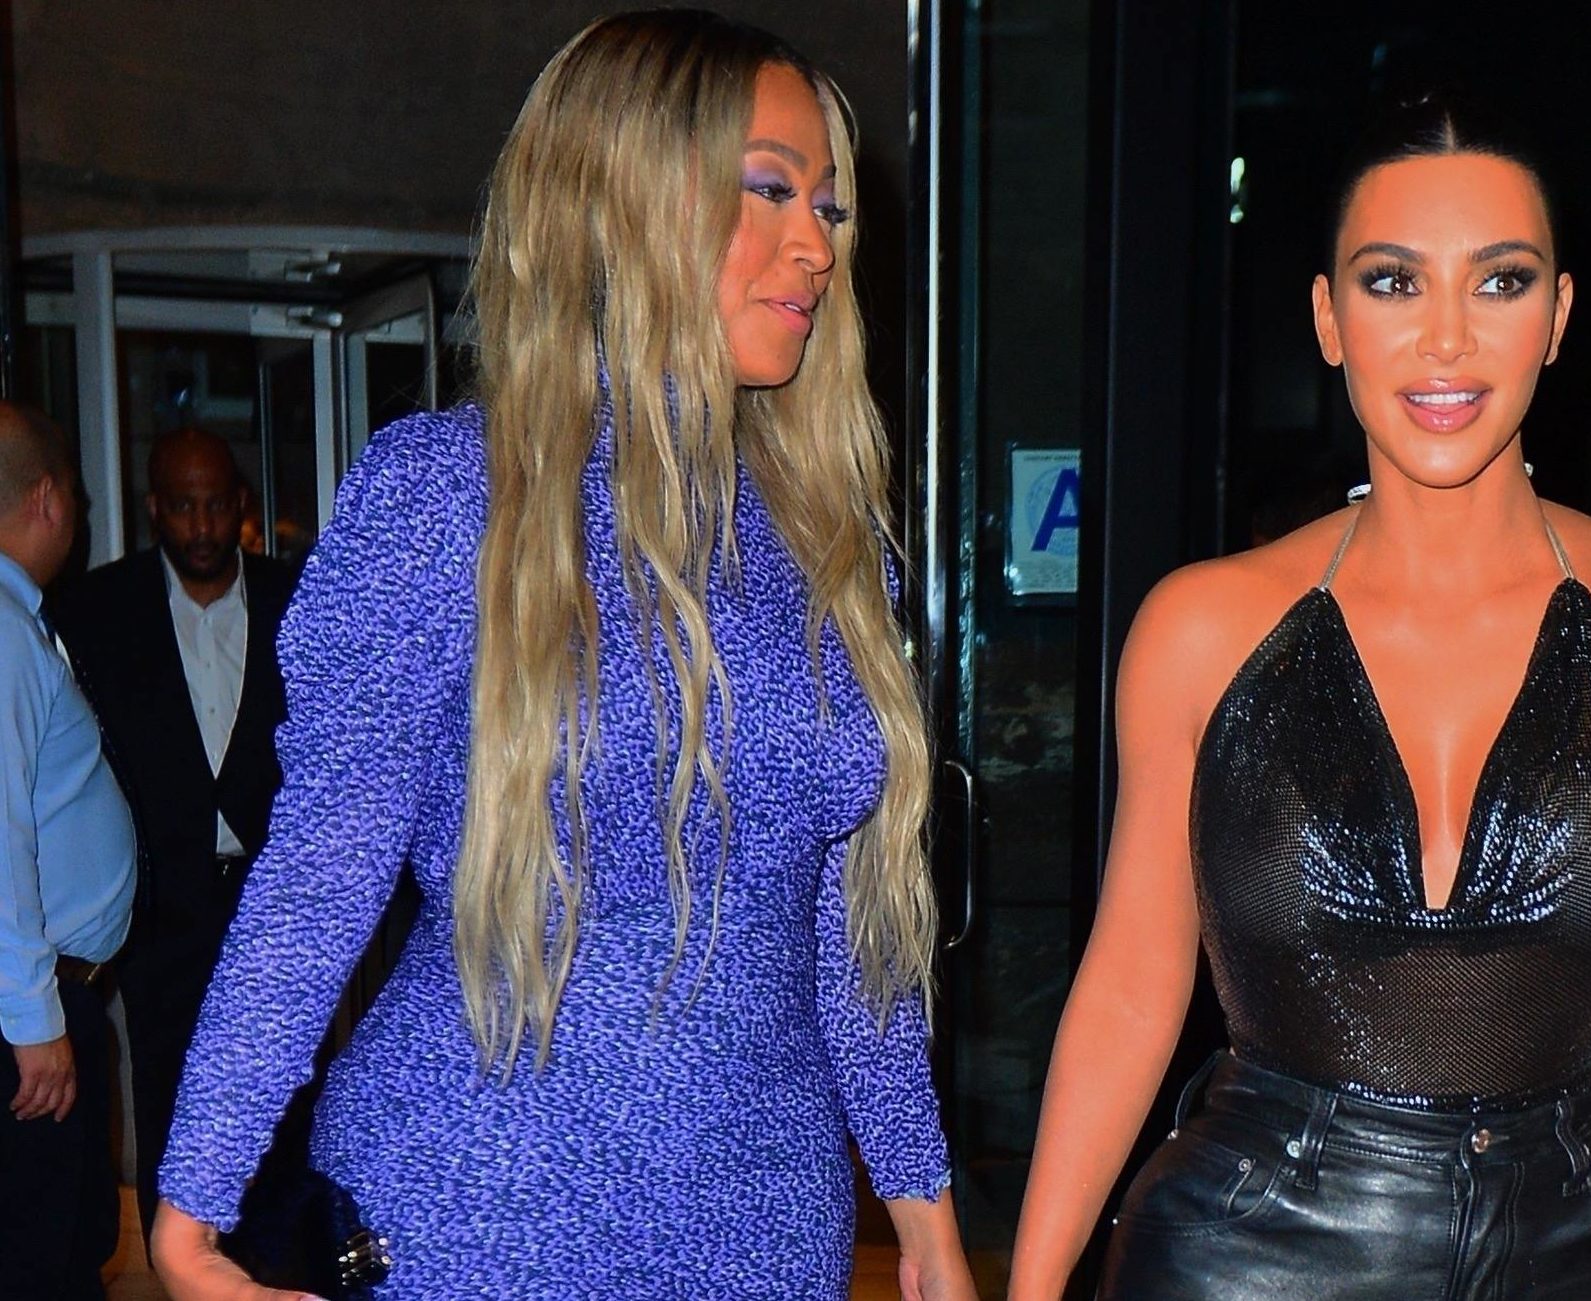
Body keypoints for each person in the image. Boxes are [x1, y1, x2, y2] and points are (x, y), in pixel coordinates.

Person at [148, 12, 975, 1299]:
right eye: (768, 190)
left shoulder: (828, 541)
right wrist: (192, 1203)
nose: (816, 245)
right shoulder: (452, 497)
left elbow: (842, 934)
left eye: (827, 204)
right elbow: (322, 868)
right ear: (627, 196)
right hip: (473, 1214)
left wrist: (923, 1212)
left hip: (769, 1227)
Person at [1010, 98, 1591, 1299]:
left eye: (1499, 282)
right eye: (1392, 282)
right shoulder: (1201, 627)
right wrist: (1031, 1282)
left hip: (1572, 1264)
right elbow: (1127, 982)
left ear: (1557, 317)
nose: (1445, 338)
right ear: (1328, 319)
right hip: (1241, 1261)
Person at [48, 428, 296, 1247]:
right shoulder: (98, 610)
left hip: (272, 901)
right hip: (163, 909)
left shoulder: (295, 598)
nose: (201, 525)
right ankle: (180, 1264)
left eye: (215, 504)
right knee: (169, 1091)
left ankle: (275, 1261)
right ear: (155, 508)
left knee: (283, 1095)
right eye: (183, 506)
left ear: (240, 505)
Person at [0, 400, 138, 1299]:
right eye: (77, 501)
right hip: (33, 1010)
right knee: (44, 1265)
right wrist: (35, 1020)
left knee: (66, 1247)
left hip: (49, 994)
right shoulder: (4, 632)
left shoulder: (19, 620)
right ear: (49, 498)